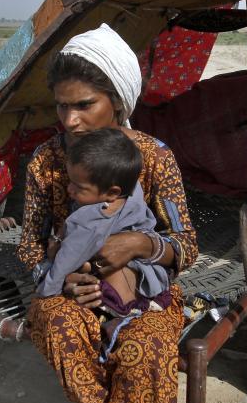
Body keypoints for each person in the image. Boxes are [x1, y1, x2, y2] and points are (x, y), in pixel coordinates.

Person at [18, 23, 197, 403]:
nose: (70, 119)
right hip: (71, 294)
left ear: (116, 101)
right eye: (61, 106)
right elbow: (31, 246)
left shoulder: (154, 159)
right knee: (54, 322)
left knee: (145, 357)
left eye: (84, 105)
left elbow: (187, 246)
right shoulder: (45, 162)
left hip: (141, 295)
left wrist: (140, 245)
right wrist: (62, 275)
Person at [33, 128, 172, 323]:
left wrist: (47, 289)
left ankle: (119, 311)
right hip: (151, 280)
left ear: (112, 192)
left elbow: (66, 261)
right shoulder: (132, 191)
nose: (69, 189)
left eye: (78, 187)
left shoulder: (87, 222)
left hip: (113, 293)